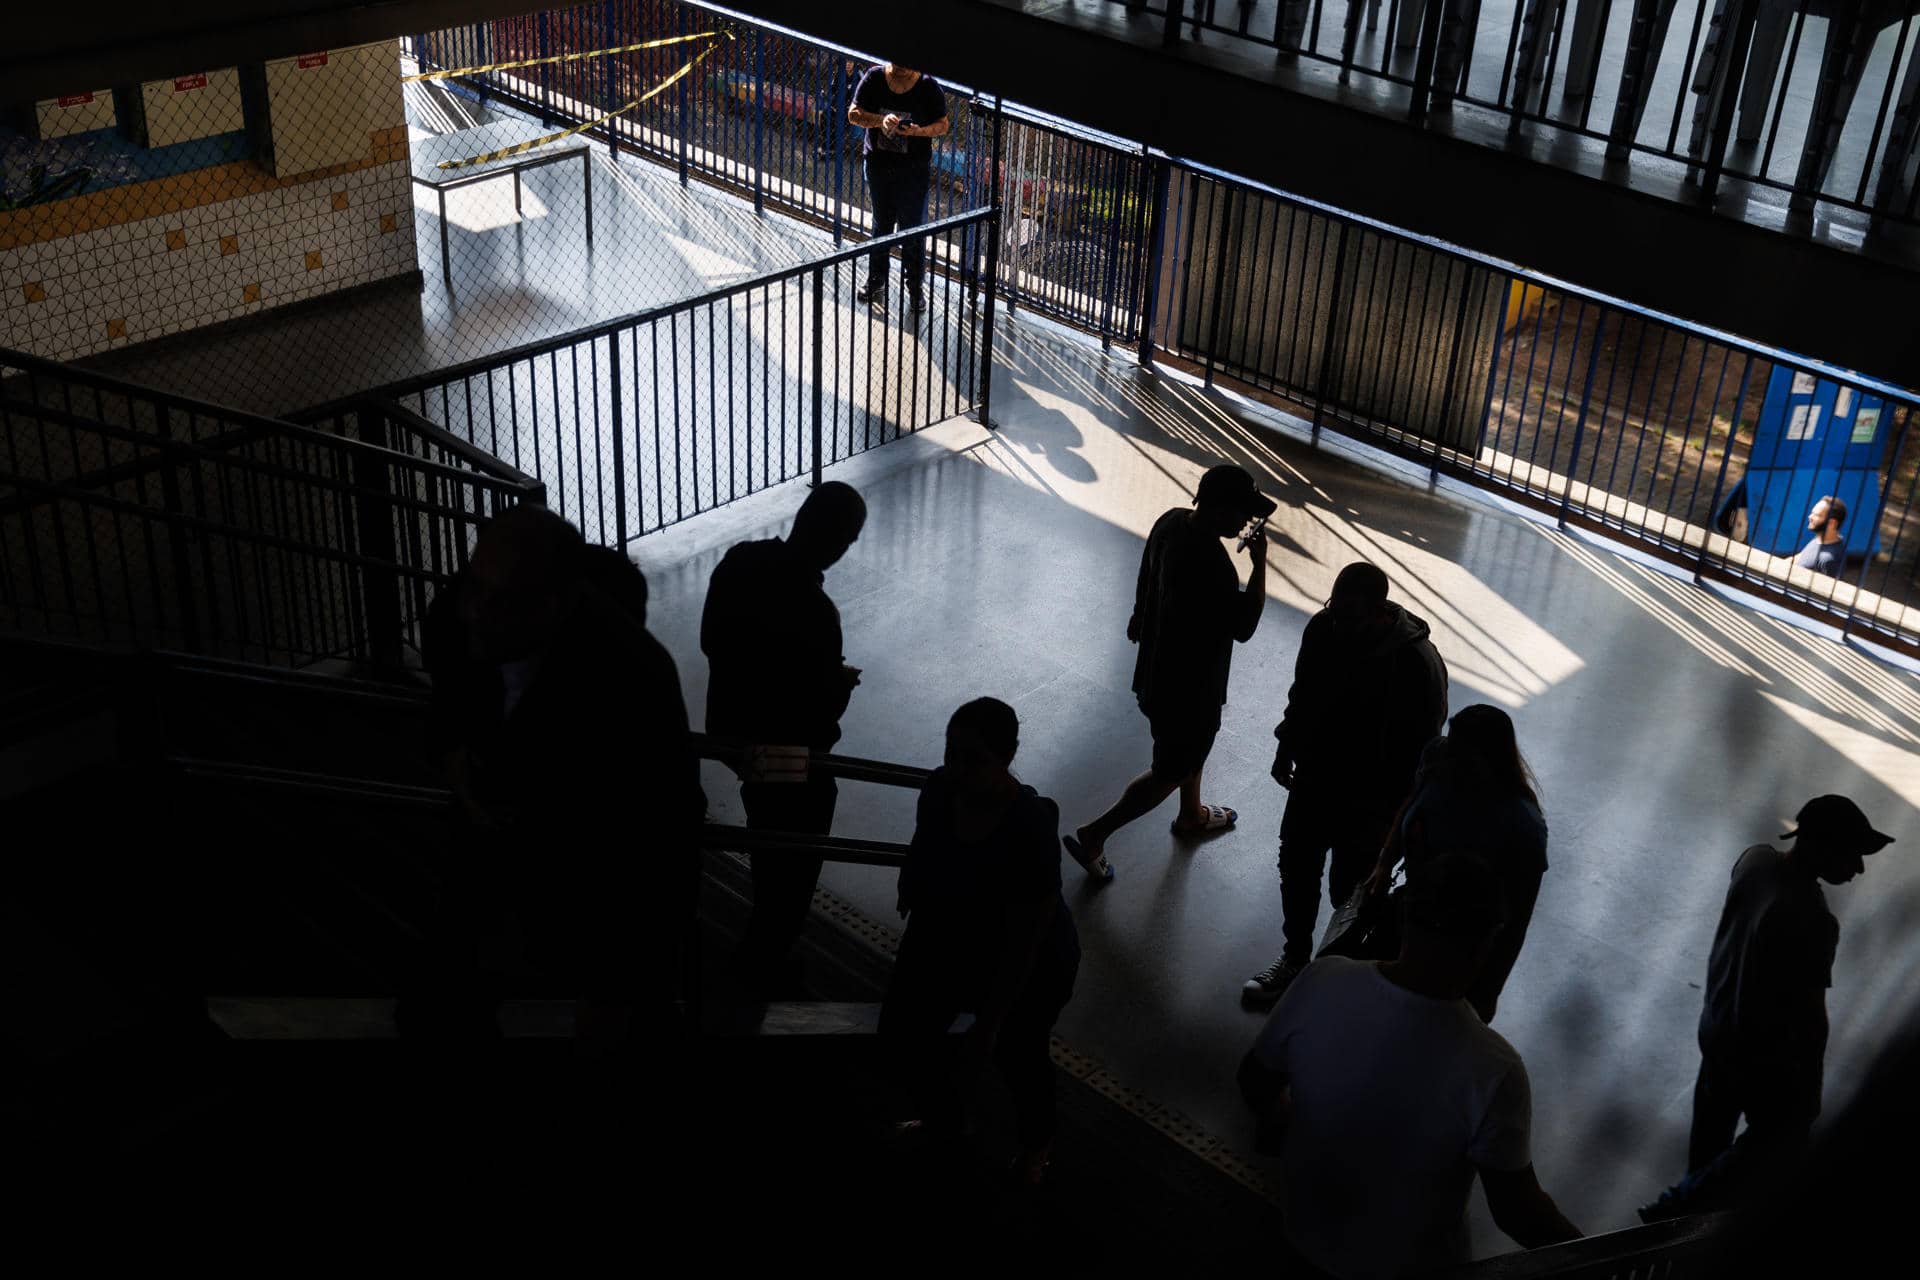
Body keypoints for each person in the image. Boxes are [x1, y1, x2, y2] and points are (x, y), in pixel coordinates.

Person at [412, 506, 704, 1040]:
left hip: (574, 883)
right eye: (474, 586)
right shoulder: (460, 613)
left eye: (498, 598)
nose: (474, 610)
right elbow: (450, 701)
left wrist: (617, 988)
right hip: (503, 864)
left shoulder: (632, 680)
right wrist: (454, 755)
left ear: (559, 604)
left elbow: (667, 835)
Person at [1239, 855, 1582, 1278]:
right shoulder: (1494, 1070)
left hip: (1300, 1238)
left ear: (1404, 915)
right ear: (1488, 941)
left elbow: (1255, 1080)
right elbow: (1517, 1212)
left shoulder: (1322, 980)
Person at [1639, 795, 1896, 1222]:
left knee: (1708, 1145)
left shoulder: (1753, 862)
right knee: (1782, 1136)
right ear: (1821, 846)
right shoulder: (1814, 919)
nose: (1859, 868)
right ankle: (1680, 1207)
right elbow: (1813, 1019)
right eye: (1852, 854)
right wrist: (1810, 1093)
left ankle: (1682, 1222)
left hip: (1717, 1031)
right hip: (1761, 1057)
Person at [881, 697, 1080, 1185]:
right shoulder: (940, 788)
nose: (957, 769)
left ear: (1006, 758)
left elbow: (1026, 938)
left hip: (1031, 962)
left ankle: (1037, 1143)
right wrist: (912, 887)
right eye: (952, 754)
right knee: (905, 1033)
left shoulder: (1029, 826)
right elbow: (923, 843)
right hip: (959, 935)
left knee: (1019, 1052)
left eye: (973, 759)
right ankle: (946, 1121)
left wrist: (992, 1020)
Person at [1242, 561, 1447, 1008]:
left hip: (1373, 795)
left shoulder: (1415, 662)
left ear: (1379, 611)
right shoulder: (1324, 629)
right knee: (1297, 865)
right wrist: (1286, 745)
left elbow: (1425, 749)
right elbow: (1303, 693)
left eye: (1349, 616)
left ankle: (1332, 971)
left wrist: (1402, 812)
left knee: (1349, 890)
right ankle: (1298, 959)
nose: (1338, 622)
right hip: (1319, 776)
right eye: (1334, 610)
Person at [1063, 464, 1273, 880]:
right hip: (1189, 690)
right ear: (1217, 510)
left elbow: (1147, 571)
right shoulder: (1214, 566)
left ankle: (1192, 814)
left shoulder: (1172, 521)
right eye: (1242, 512)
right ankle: (1095, 834)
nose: (1247, 521)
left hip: (1158, 671)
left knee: (1191, 749)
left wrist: (1140, 614)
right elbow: (1245, 626)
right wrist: (1260, 565)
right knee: (1170, 769)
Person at [701, 481, 868, 997]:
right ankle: (763, 958)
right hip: (788, 755)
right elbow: (819, 711)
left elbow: (711, 640)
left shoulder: (740, 561)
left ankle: (761, 947)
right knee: (795, 857)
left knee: (767, 830)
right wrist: (839, 683)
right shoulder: (818, 614)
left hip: (733, 734)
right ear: (839, 543)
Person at [1359, 704, 1547, 1023]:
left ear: (1490, 760)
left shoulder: (1522, 828)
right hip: (1412, 921)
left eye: (1463, 755)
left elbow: (1516, 923)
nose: (1451, 759)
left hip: (1459, 953)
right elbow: (1412, 804)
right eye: (1451, 745)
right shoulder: (1439, 759)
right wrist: (1384, 862)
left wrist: (1488, 993)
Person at [847, 62, 949, 314]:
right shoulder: (874, 78)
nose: (901, 68)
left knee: (912, 230)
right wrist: (881, 121)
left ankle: (915, 287)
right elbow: (853, 114)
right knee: (881, 225)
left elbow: (943, 125)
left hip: (913, 172)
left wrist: (918, 132)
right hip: (879, 166)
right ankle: (876, 280)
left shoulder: (928, 87)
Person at [1794, 495, 1848, 577]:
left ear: (1831, 523)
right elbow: (1800, 557)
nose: (1810, 517)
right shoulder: (1819, 540)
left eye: (1816, 515)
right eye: (1812, 513)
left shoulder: (1828, 559)